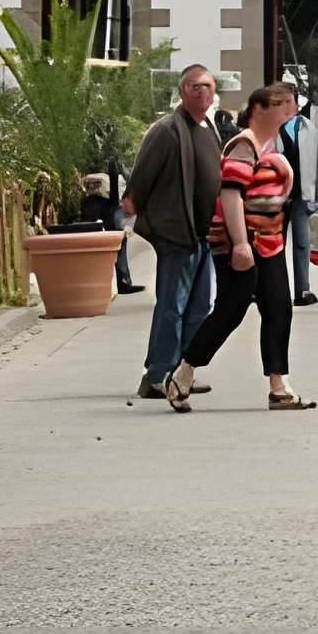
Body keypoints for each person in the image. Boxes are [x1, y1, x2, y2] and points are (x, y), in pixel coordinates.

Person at [165, 83, 314, 412]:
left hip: (270, 241)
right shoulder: (244, 145)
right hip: (241, 241)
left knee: (278, 308)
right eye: (281, 104)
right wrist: (241, 244)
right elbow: (231, 194)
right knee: (230, 311)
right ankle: (183, 371)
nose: (289, 110)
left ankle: (279, 385)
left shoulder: (272, 141)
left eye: (291, 104)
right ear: (260, 110)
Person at [126, 63, 223, 401]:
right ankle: (156, 375)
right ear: (182, 90)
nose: (202, 92)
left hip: (204, 236)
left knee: (199, 307)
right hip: (176, 234)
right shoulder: (166, 130)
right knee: (172, 306)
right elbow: (140, 182)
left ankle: (183, 374)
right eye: (194, 86)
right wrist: (140, 212)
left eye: (207, 86)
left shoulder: (208, 126)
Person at [279, 92, 318, 306]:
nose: (287, 106)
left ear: (298, 105)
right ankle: (272, 289)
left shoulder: (307, 127)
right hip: (275, 195)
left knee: (302, 242)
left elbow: (317, 160)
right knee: (273, 244)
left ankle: (302, 290)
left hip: (300, 193)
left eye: (291, 102)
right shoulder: (269, 127)